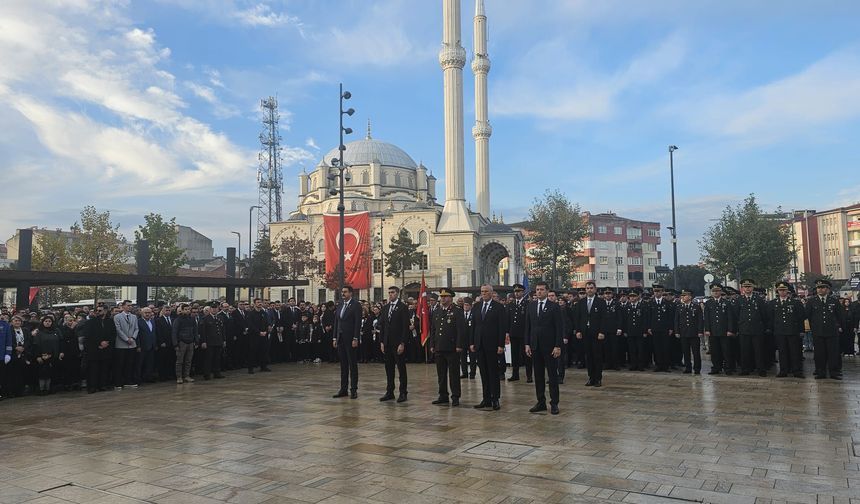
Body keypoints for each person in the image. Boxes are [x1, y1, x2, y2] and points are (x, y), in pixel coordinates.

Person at [525, 281, 564, 415]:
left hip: (550, 346)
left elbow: (559, 327)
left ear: (547, 291)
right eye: (537, 289)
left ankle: (554, 403)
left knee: (552, 375)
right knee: (538, 375)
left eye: (542, 289)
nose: (539, 292)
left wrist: (558, 345)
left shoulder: (554, 306)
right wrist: (527, 344)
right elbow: (528, 326)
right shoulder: (531, 306)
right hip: (535, 345)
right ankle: (540, 401)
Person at [428, 287, 466, 407]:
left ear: (451, 298)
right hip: (439, 347)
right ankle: (443, 395)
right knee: (441, 374)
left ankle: (455, 396)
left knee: (454, 374)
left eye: (445, 297)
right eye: (441, 297)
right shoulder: (437, 311)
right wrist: (432, 344)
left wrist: (459, 345)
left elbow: (461, 330)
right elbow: (433, 329)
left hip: (452, 347)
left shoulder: (457, 311)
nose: (442, 299)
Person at [470, 284, 506, 410]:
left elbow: (502, 327)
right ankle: (486, 399)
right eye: (482, 291)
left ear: (491, 293)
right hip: (479, 344)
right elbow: (473, 326)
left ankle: (495, 398)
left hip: (492, 344)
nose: (483, 293)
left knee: (493, 372)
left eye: (486, 291)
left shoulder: (498, 307)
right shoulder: (477, 306)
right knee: (483, 373)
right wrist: (472, 342)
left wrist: (501, 344)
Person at [805, 279, 846, 380]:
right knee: (819, 353)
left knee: (833, 353)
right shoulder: (811, 301)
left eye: (823, 287)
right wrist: (814, 327)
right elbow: (808, 316)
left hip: (832, 331)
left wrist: (840, 327)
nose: (820, 289)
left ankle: (834, 372)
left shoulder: (834, 301)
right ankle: (820, 372)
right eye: (818, 288)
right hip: (818, 332)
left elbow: (840, 316)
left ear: (827, 289)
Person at [768, 281, 806, 378]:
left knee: (795, 352)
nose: (782, 292)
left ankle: (796, 370)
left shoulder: (795, 303)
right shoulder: (773, 303)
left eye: (784, 290)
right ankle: (783, 370)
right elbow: (770, 318)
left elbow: (800, 317)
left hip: (792, 331)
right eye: (780, 290)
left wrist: (801, 330)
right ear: (777, 291)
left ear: (787, 291)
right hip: (779, 331)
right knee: (782, 352)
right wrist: (772, 330)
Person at [379, 286, 409, 403]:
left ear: (397, 294)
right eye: (389, 292)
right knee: (389, 369)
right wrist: (382, 342)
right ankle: (390, 391)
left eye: (392, 292)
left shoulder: (403, 307)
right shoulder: (386, 308)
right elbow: (383, 326)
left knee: (401, 368)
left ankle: (403, 392)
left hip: (397, 343)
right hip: (387, 343)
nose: (390, 294)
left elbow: (405, 327)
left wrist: (402, 343)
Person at [733, 279, 769, 376]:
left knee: (759, 351)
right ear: (742, 288)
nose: (747, 288)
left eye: (749, 286)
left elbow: (764, 314)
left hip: (757, 329)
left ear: (752, 287)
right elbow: (736, 315)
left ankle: (761, 369)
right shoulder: (739, 300)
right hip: (744, 329)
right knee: (745, 351)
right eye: (745, 287)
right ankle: (745, 369)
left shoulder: (759, 299)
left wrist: (764, 327)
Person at [576, 281, 608, 386]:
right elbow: (578, 318)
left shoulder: (601, 302)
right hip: (585, 332)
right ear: (585, 290)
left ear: (595, 289)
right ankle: (591, 377)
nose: (589, 290)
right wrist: (578, 331)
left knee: (597, 356)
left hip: (597, 333)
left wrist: (602, 331)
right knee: (588, 356)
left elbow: (604, 319)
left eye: (591, 288)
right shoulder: (581, 302)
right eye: (587, 288)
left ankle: (598, 378)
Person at [333, 285, 361, 399]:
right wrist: (334, 338)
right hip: (340, 339)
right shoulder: (340, 305)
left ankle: (353, 389)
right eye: (342, 292)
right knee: (343, 365)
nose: (342, 294)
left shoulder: (356, 305)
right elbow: (336, 322)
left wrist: (355, 338)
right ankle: (343, 389)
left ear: (350, 293)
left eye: (345, 292)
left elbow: (357, 323)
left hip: (350, 339)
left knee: (352, 365)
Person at [703, 283, 736, 375]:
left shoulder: (726, 303)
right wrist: (707, 329)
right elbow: (707, 318)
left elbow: (730, 318)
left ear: (721, 292)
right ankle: (716, 367)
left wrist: (730, 330)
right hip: (713, 331)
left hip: (724, 331)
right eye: (713, 291)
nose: (715, 293)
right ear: (711, 292)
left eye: (717, 291)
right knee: (714, 351)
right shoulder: (708, 303)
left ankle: (728, 368)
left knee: (726, 351)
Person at [84, 307, 114, 393]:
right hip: (94, 349)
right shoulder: (90, 322)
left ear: (105, 311)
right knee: (93, 369)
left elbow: (113, 333)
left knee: (104, 368)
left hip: (106, 349)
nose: (97, 312)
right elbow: (88, 335)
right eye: (96, 311)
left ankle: (103, 385)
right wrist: (99, 343)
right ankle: (93, 386)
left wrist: (107, 342)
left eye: (100, 310)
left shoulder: (110, 322)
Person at [29, 315, 61, 394]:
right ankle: (42, 389)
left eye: (49, 321)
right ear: (42, 322)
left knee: (51, 373)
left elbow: (60, 343)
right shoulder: (39, 332)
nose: (47, 323)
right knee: (42, 374)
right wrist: (38, 356)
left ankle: (49, 388)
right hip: (42, 356)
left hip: (53, 356)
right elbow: (35, 345)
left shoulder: (56, 331)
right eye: (46, 321)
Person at [674, 289, 703, 374]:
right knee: (686, 352)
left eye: (684, 295)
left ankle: (697, 368)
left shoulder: (696, 307)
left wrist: (700, 331)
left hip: (694, 333)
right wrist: (677, 331)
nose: (682, 297)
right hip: (683, 333)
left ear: (690, 297)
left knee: (696, 352)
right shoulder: (679, 307)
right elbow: (676, 320)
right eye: (682, 296)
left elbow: (700, 320)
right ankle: (688, 367)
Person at [646, 284, 674, 373]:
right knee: (656, 348)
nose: (657, 293)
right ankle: (658, 365)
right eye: (655, 291)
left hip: (665, 328)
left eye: (658, 291)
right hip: (654, 329)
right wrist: (649, 327)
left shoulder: (667, 303)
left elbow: (670, 317)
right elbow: (648, 317)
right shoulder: (650, 303)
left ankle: (666, 365)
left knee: (665, 347)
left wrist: (670, 328)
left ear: (662, 292)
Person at [506, 284, 531, 382]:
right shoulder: (511, 305)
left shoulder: (527, 304)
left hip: (524, 333)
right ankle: (515, 374)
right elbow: (508, 319)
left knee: (526, 355)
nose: (517, 293)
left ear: (523, 292)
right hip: (513, 333)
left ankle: (529, 375)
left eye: (519, 291)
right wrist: (507, 332)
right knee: (514, 355)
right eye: (515, 291)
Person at [113, 300, 139, 390]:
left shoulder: (134, 317)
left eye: (131, 305)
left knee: (130, 363)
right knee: (120, 364)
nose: (130, 307)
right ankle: (118, 383)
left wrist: (133, 338)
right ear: (123, 306)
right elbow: (118, 329)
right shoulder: (117, 317)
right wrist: (126, 339)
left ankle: (129, 381)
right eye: (128, 305)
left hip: (132, 344)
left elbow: (136, 328)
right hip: (121, 344)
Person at [621, 288, 648, 371]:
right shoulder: (627, 307)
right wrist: (625, 331)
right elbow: (624, 321)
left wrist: (644, 331)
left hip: (639, 332)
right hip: (630, 332)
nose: (632, 298)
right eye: (631, 296)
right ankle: (633, 365)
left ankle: (640, 365)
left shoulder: (642, 306)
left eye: (634, 296)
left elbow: (644, 320)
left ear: (637, 297)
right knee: (632, 350)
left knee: (640, 349)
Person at [171, 304, 198, 384]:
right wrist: (175, 344)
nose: (187, 311)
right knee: (179, 361)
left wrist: (196, 341)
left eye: (188, 309)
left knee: (188, 360)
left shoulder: (192, 319)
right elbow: (174, 332)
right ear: (182, 310)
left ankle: (187, 375)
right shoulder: (178, 320)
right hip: (181, 342)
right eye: (185, 309)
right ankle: (179, 377)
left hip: (190, 342)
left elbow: (195, 331)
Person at [200, 304, 226, 380]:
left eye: (216, 308)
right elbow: (203, 331)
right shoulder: (205, 318)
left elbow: (222, 330)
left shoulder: (220, 317)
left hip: (218, 341)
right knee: (208, 358)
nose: (214, 310)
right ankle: (207, 374)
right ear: (210, 309)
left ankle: (217, 372)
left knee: (217, 358)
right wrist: (203, 341)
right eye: (213, 308)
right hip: (209, 342)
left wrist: (224, 340)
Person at [246, 298, 272, 374]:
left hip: (264, 335)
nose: (259, 304)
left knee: (264, 351)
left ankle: (263, 366)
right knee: (253, 352)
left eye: (260, 302)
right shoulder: (251, 314)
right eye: (258, 302)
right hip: (254, 336)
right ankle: (250, 368)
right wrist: (259, 332)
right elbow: (251, 325)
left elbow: (267, 323)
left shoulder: (263, 313)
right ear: (254, 304)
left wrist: (267, 330)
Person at [602, 288, 623, 371]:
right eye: (606, 293)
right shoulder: (602, 303)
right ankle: (607, 363)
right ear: (604, 295)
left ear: (612, 294)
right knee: (606, 348)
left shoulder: (616, 303)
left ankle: (615, 364)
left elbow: (619, 317)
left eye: (609, 293)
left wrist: (619, 328)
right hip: (605, 330)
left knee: (615, 348)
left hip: (614, 329)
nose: (607, 295)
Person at [136, 307, 158, 384]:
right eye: (146, 313)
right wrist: (138, 346)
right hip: (142, 346)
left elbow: (154, 333)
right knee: (140, 363)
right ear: (142, 313)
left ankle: (148, 377)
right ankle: (138, 378)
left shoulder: (152, 321)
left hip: (151, 346)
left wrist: (155, 344)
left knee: (150, 363)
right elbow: (137, 335)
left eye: (149, 312)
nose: (148, 314)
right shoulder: (138, 322)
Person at [460, 297, 477, 379]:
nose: (465, 307)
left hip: (471, 340)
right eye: (464, 305)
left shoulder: (474, 314)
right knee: (463, 357)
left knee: (472, 357)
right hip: (462, 340)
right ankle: (464, 372)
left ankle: (472, 373)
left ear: (471, 306)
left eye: (467, 305)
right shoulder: (460, 314)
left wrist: (473, 341)